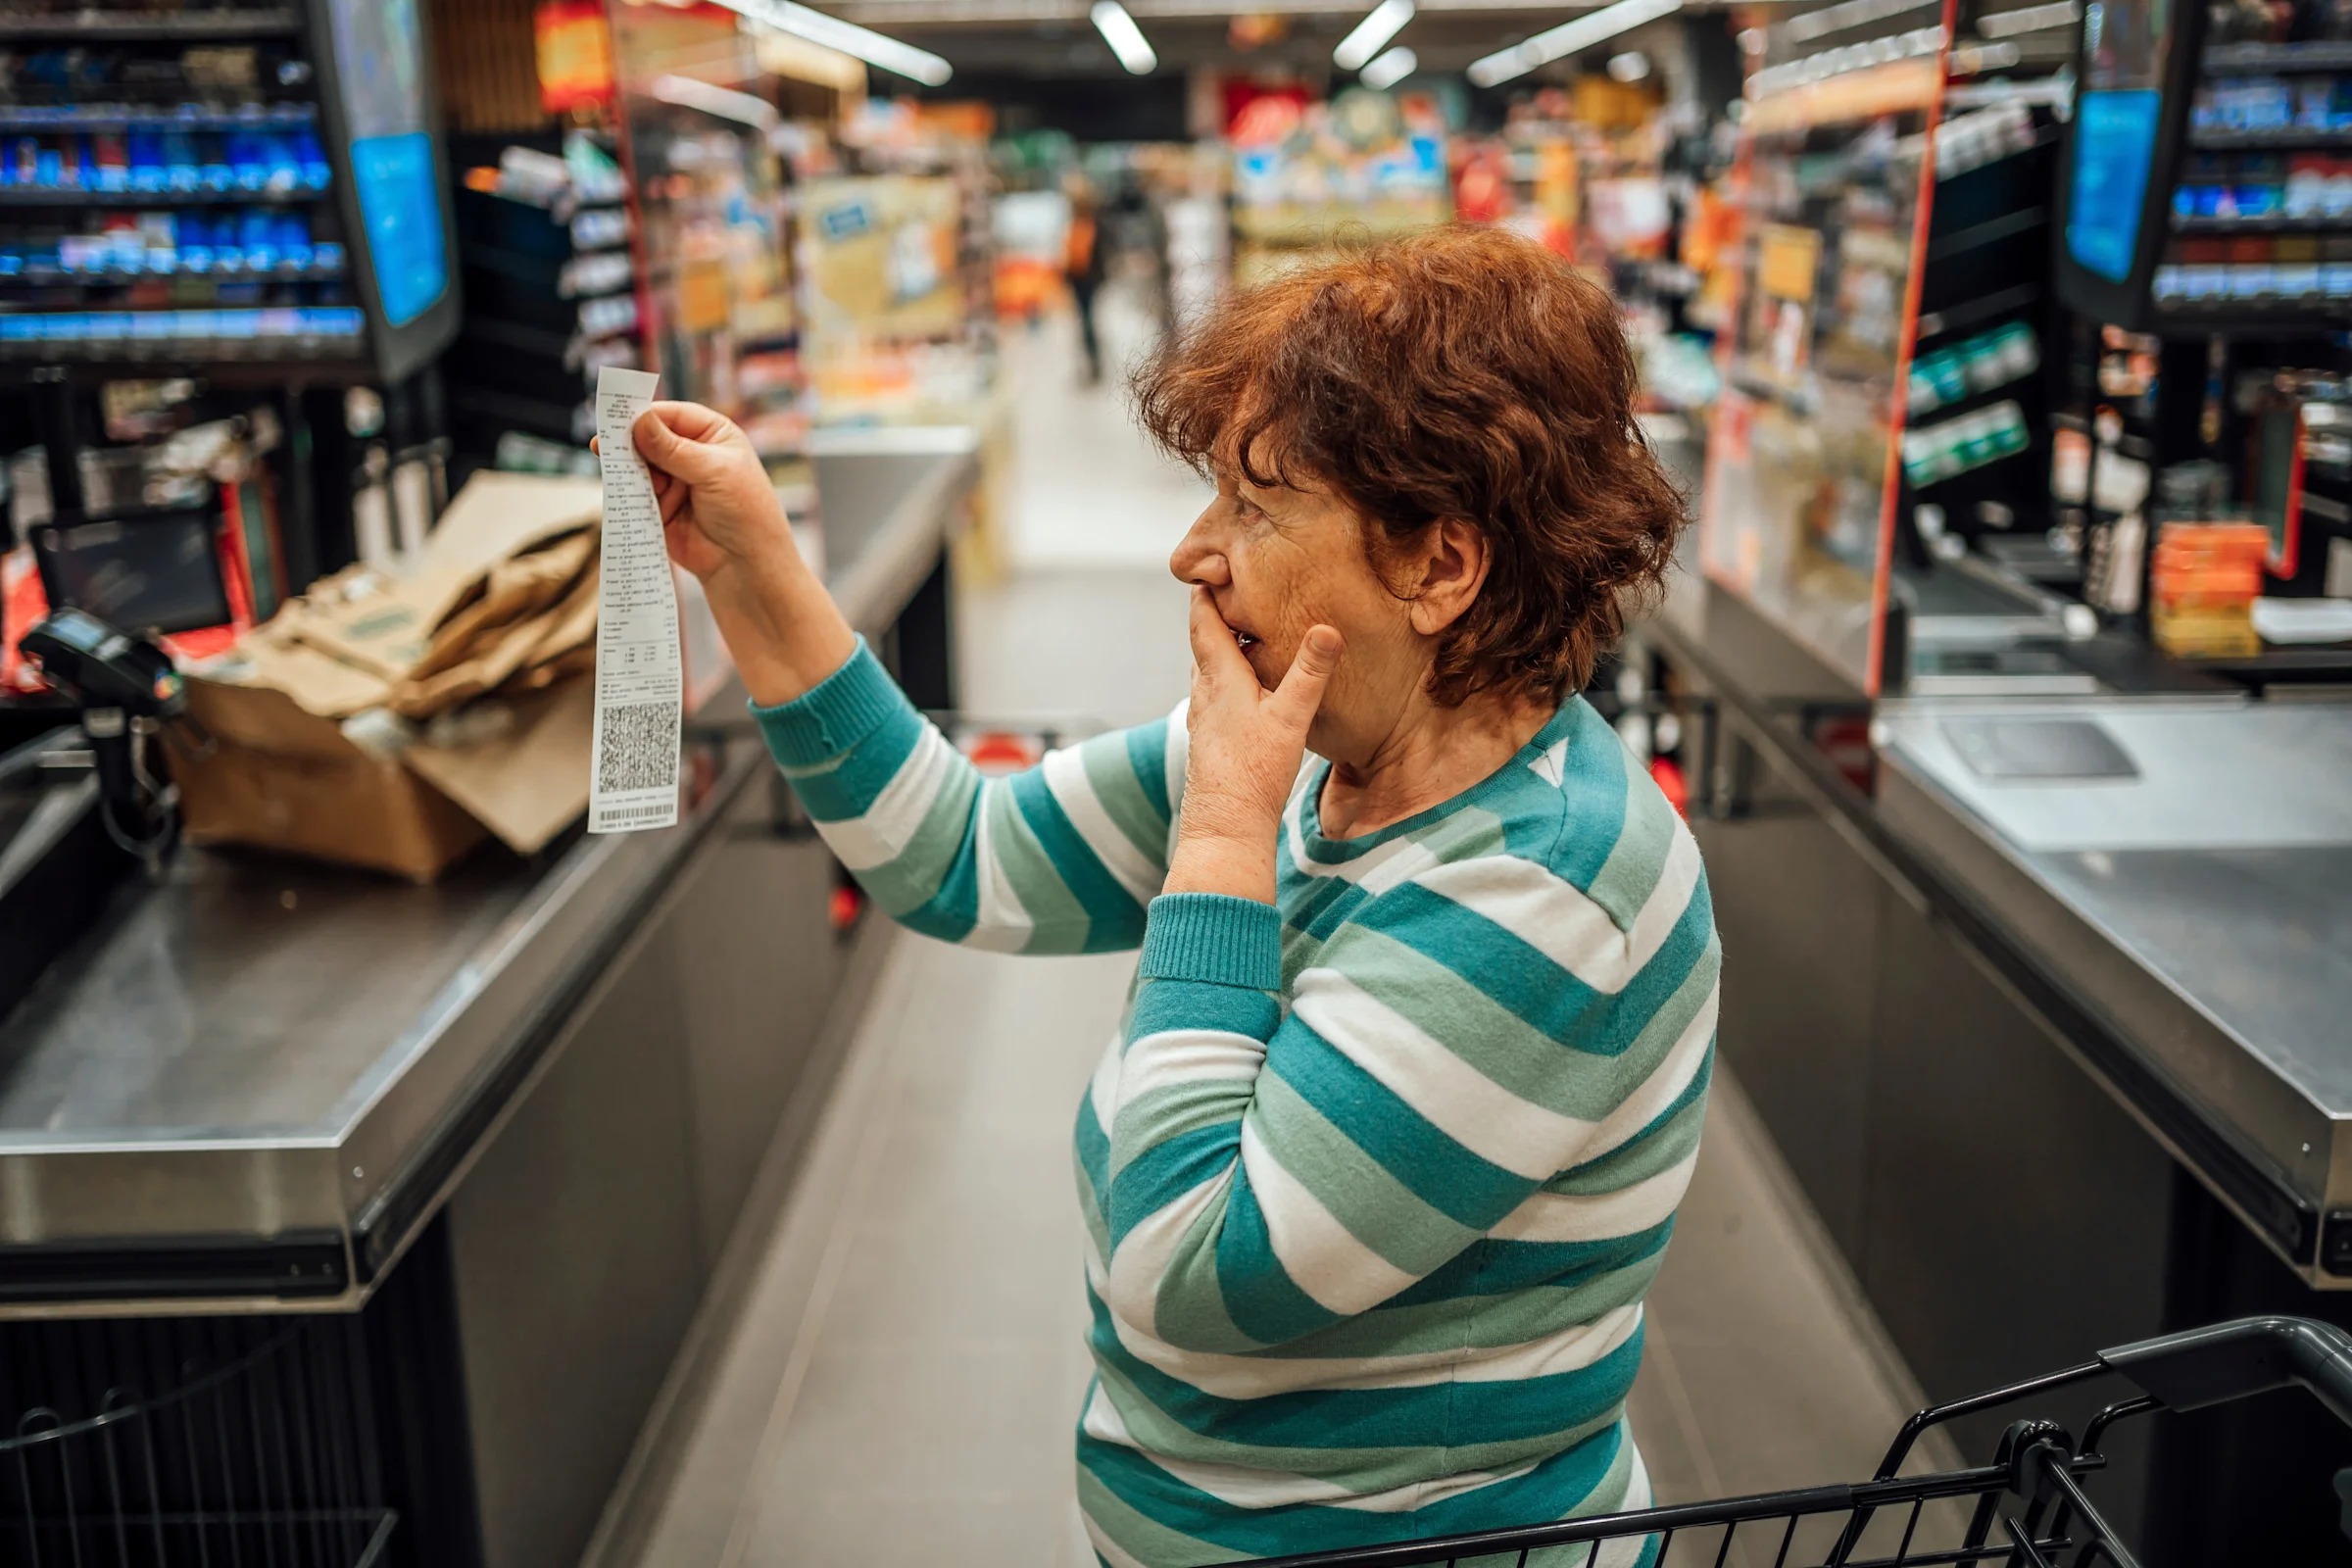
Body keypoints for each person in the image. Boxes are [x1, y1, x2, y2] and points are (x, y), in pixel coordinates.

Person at [622, 224, 1715, 1568]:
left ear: (1440, 564)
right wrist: (752, 569)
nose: (1195, 556)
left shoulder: (1542, 891)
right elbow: (961, 855)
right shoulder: (1318, 759)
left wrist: (1220, 839)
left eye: (1255, 506)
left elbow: (1192, 1272)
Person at [1066, 180, 1107, 384]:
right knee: (1084, 322)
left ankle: (1094, 362)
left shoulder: (1092, 225)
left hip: (1087, 280)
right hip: (1079, 280)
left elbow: (1096, 256)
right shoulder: (1078, 224)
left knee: (1087, 322)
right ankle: (1091, 361)